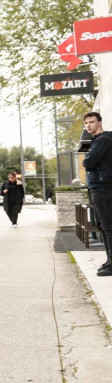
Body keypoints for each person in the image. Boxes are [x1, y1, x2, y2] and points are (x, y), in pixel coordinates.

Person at [83, 111, 112, 276]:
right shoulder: (97, 141)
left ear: (99, 122)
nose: (89, 125)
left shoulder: (102, 140)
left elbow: (89, 162)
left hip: (103, 187)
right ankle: (109, 261)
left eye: (92, 122)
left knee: (108, 225)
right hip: (99, 187)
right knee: (103, 225)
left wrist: (87, 161)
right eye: (86, 123)